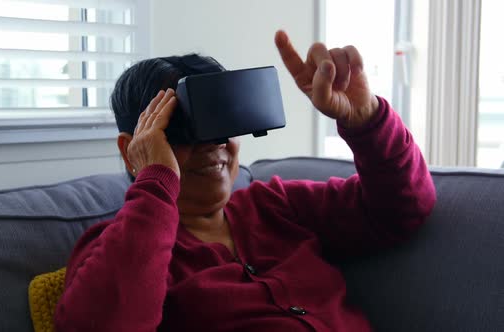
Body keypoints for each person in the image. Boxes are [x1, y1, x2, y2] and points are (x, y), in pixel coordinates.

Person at [54, 30, 436, 332]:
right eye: (182, 127)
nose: (213, 144)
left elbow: (403, 209)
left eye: (221, 119)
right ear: (133, 148)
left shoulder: (277, 207)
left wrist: (366, 120)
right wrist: (156, 183)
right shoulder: (116, 248)